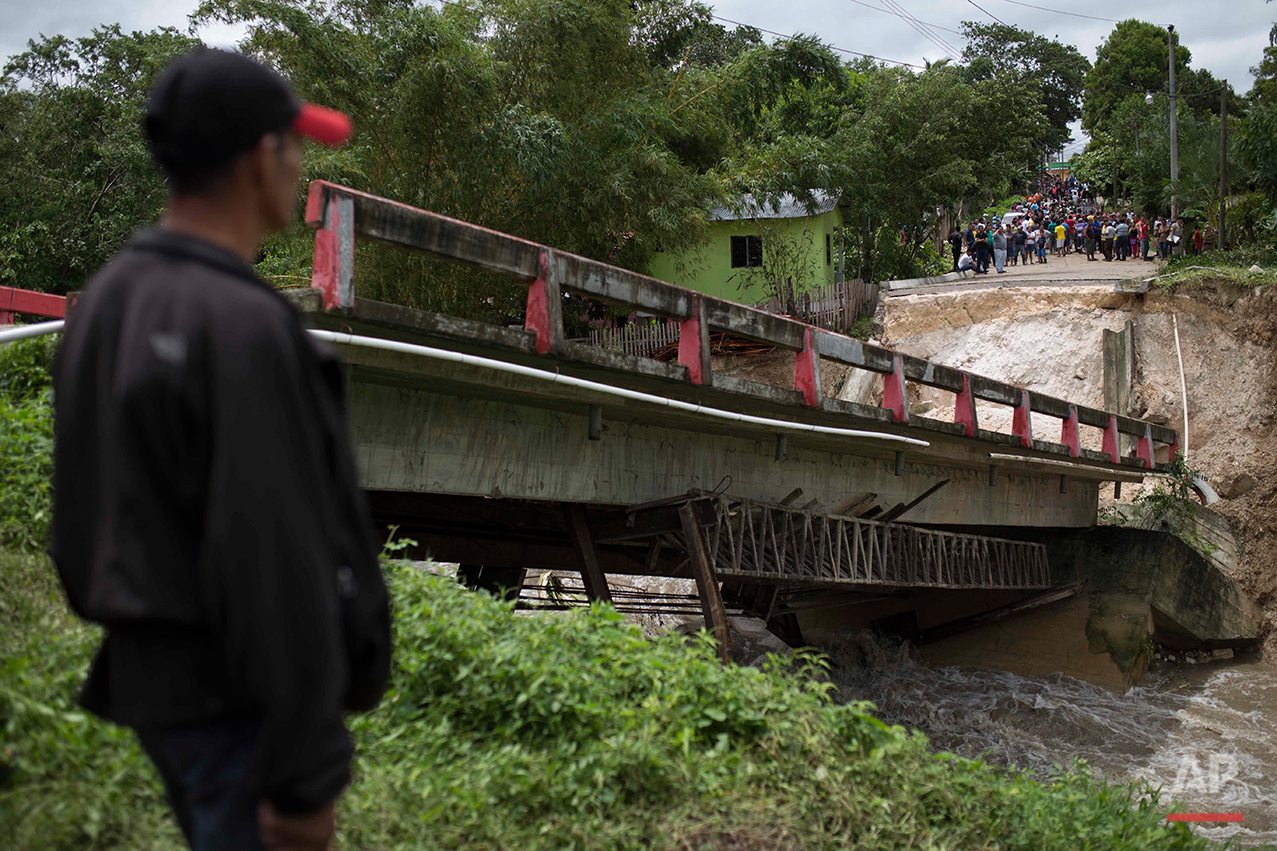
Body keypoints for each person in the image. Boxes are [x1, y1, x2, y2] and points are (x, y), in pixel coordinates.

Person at [50, 49, 391, 851]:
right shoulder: (244, 325)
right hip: (239, 706)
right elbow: (273, 556)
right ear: (260, 156)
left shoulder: (103, 302)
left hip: (157, 686)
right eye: (295, 146)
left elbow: (78, 519)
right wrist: (305, 775)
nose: (300, 165)